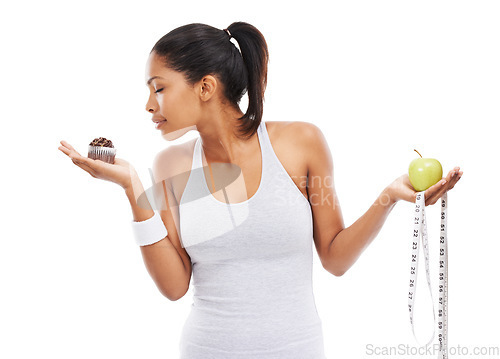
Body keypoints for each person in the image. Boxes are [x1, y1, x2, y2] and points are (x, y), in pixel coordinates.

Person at [58, 21, 463, 359]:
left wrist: (388, 196)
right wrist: (133, 188)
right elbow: (174, 287)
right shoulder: (171, 166)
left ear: (205, 87)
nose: (149, 105)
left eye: (159, 88)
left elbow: (335, 258)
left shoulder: (300, 143)